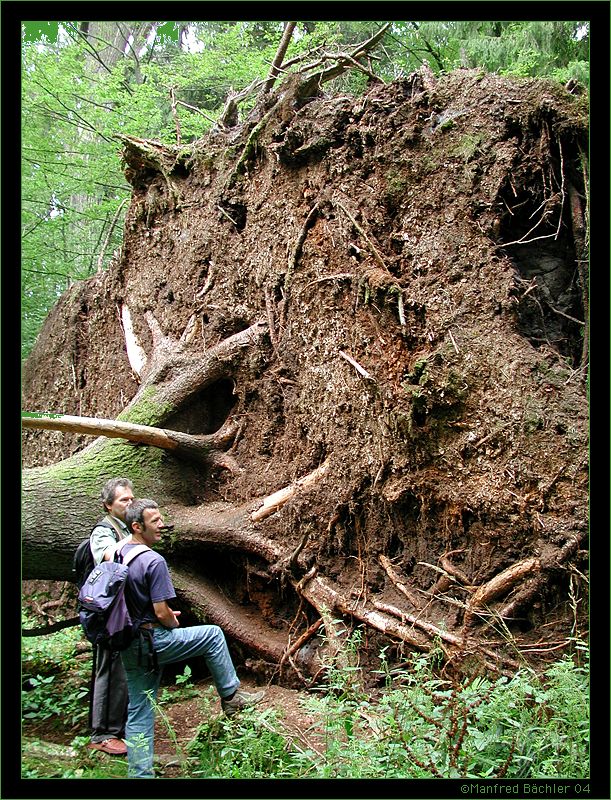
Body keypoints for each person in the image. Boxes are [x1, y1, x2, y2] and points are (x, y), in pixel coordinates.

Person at [120, 498, 265, 778]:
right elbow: (162, 612)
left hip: (127, 641)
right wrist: (171, 620)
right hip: (152, 639)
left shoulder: (119, 553)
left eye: (161, 519)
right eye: (155, 522)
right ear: (138, 526)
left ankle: (140, 775)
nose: (162, 525)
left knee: (139, 707)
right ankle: (231, 696)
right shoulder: (153, 561)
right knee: (212, 635)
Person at [87, 477, 135, 756]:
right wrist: (136, 537)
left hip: (123, 610)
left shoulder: (125, 527)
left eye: (131, 499)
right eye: (123, 500)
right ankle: (102, 733)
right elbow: (107, 555)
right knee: (109, 668)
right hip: (107, 612)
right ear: (108, 505)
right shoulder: (104, 531)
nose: (129, 503)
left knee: (122, 668)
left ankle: (118, 728)